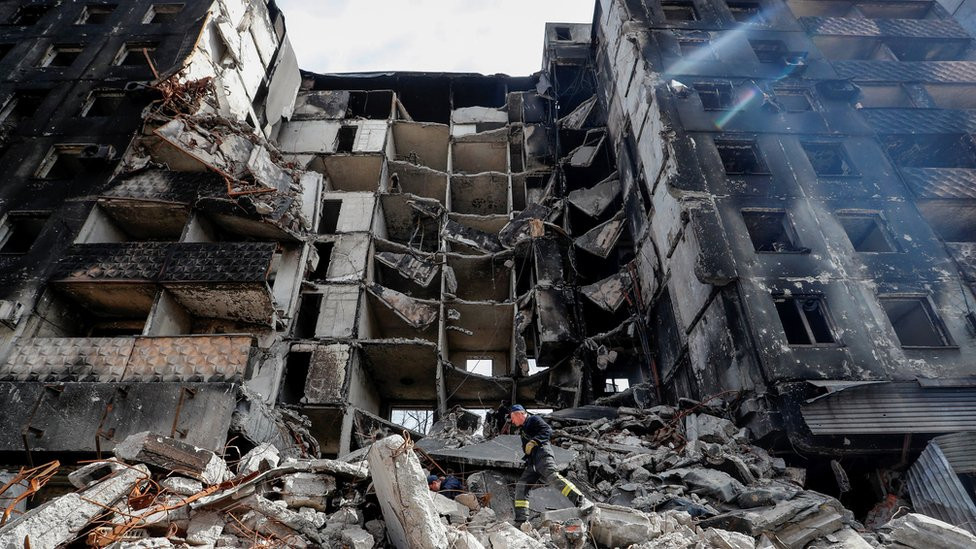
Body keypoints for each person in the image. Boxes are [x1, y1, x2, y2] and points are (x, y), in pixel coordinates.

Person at [509, 404, 593, 525]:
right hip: (533, 462)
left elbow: (547, 430)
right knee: (521, 486)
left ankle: (581, 501)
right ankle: (521, 521)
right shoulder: (523, 429)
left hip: (543, 456)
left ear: (519, 414)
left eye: (512, 417)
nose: (512, 421)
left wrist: (534, 441)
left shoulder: (534, 419)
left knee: (553, 478)